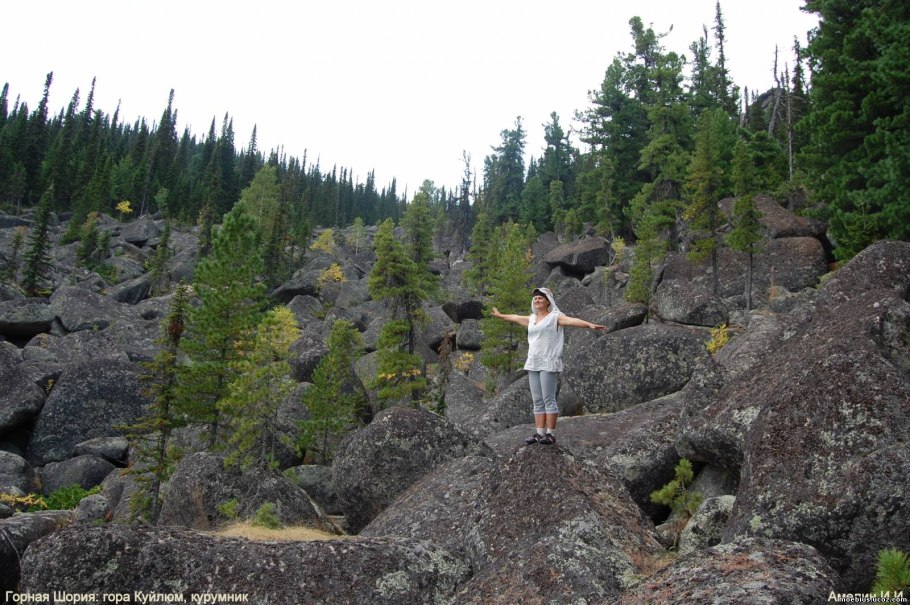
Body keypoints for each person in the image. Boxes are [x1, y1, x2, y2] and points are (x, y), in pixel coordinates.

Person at [491, 286, 605, 445]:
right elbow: (516, 317)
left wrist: (590, 325)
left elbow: (573, 321)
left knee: (548, 399)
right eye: (535, 298)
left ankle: (550, 434)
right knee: (537, 400)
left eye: (540, 298)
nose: (537, 300)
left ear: (548, 301)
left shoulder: (555, 317)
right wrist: (500, 315)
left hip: (548, 361)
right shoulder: (532, 319)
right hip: (533, 362)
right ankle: (539, 433)